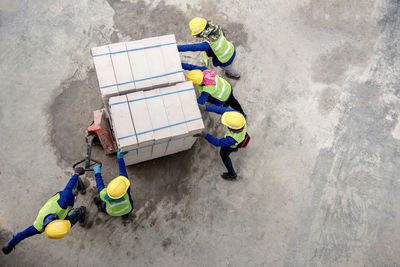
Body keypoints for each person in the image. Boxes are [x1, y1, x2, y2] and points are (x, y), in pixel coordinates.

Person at [1, 167, 87, 255]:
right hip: (60, 210)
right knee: (70, 222)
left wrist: (76, 174)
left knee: (73, 191)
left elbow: (68, 187)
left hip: (63, 200)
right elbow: (21, 235)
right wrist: (10, 246)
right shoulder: (38, 227)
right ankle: (80, 210)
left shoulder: (64, 201)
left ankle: (80, 198)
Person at [195, 105, 250, 180]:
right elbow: (221, 110)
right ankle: (235, 149)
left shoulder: (231, 139)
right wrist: (206, 107)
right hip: (240, 139)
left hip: (230, 146)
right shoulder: (238, 117)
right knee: (235, 146)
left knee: (224, 155)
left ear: (232, 129)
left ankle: (232, 174)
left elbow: (218, 142)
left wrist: (205, 135)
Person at [93, 151, 134, 218]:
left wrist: (97, 173)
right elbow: (123, 171)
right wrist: (120, 158)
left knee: (104, 206)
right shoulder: (126, 192)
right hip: (128, 209)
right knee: (129, 205)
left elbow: (100, 185)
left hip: (112, 212)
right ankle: (125, 216)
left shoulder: (105, 195)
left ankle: (101, 209)